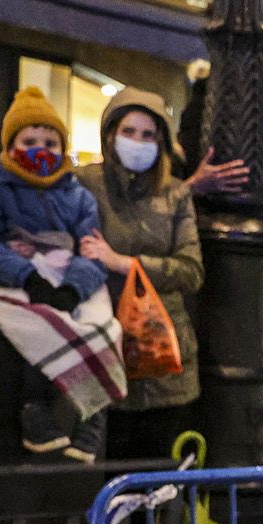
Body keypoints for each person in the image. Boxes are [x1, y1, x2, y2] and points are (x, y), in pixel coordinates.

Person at [0, 86, 110, 460]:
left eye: (50, 141)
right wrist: (26, 274)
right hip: (16, 278)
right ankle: (34, 409)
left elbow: (93, 249)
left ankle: (92, 413)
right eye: (29, 140)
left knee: (105, 327)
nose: (41, 148)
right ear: (10, 145)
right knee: (35, 324)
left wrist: (75, 287)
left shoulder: (79, 197)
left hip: (70, 279)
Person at [75, 88, 205, 462]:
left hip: (165, 361)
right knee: (105, 481)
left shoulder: (175, 194)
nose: (138, 142)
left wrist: (122, 263)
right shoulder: (84, 185)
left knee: (156, 481)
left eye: (148, 135)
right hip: (104, 349)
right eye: (129, 132)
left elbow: (191, 270)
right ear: (110, 134)